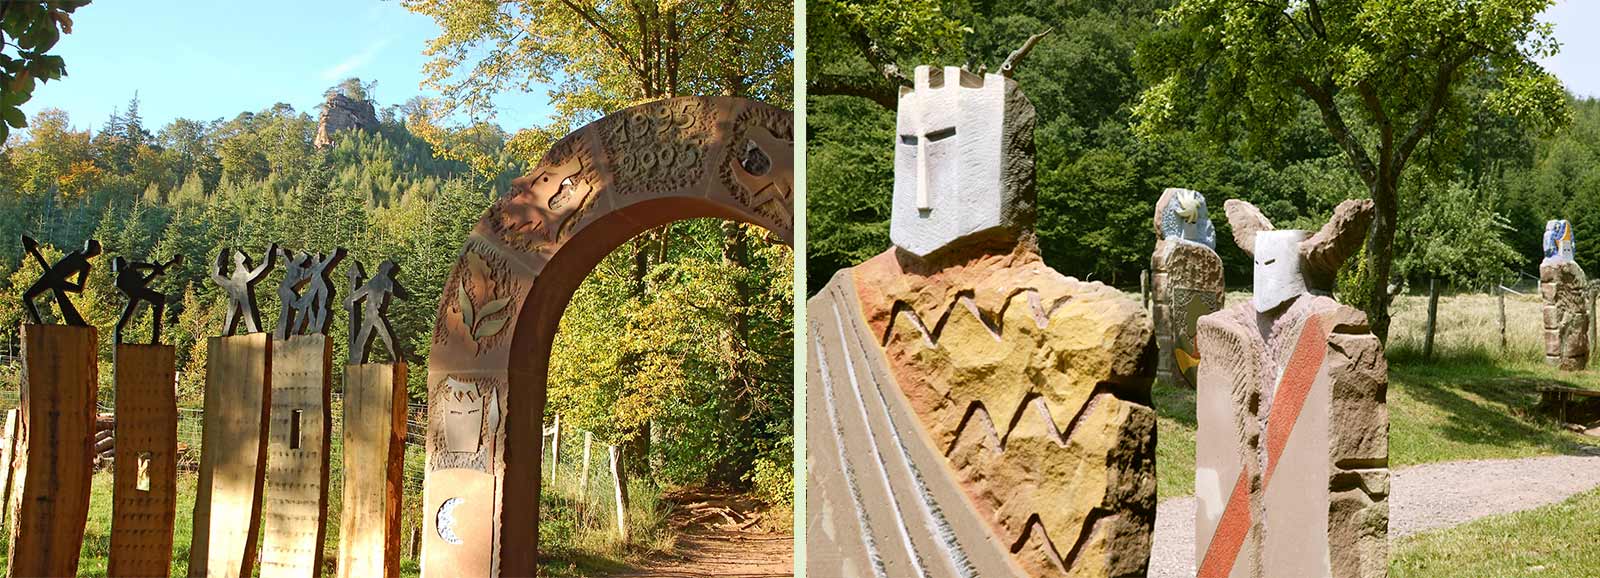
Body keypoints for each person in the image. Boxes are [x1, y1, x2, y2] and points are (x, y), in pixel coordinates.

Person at [21, 235, 101, 327]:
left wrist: (60, 283)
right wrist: (58, 281)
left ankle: (39, 324)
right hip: (50, 277)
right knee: (27, 296)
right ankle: (38, 324)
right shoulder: (77, 257)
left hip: (53, 279)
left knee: (27, 296)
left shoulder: (83, 263)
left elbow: (79, 288)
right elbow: (59, 267)